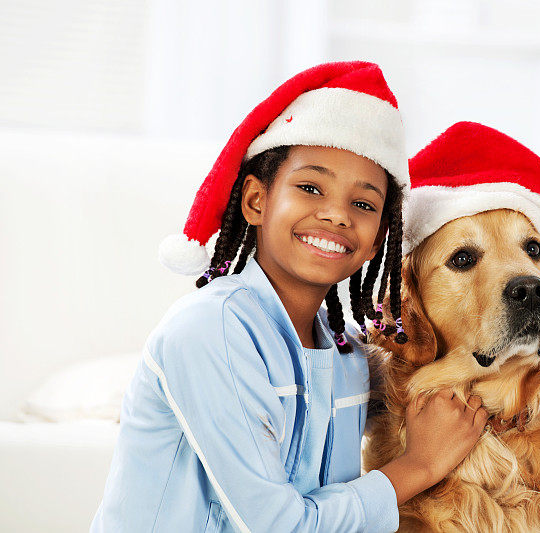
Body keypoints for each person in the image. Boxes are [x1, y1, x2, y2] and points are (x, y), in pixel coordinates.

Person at [90, 61, 488, 533]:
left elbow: (427, 389)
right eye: (310, 187)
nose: (337, 215)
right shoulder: (209, 330)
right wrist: (418, 466)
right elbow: (277, 526)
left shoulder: (346, 353)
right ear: (256, 201)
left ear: (380, 237)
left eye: (363, 204)